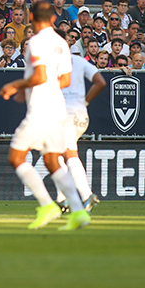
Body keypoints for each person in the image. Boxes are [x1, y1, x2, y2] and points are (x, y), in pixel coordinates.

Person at [0, 2, 90, 231]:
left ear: (31, 16)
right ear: (52, 18)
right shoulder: (61, 42)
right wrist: (31, 88)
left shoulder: (37, 42)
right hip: (59, 107)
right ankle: (79, 211)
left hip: (41, 109)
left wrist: (16, 85)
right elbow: (65, 80)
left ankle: (47, 205)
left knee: (16, 157)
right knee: (52, 160)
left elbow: (39, 75)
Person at [55, 54, 106, 212]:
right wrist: (84, 102)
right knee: (58, 154)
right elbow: (101, 82)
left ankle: (86, 195)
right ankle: (62, 200)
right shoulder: (78, 60)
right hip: (81, 114)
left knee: (69, 153)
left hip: (65, 113)